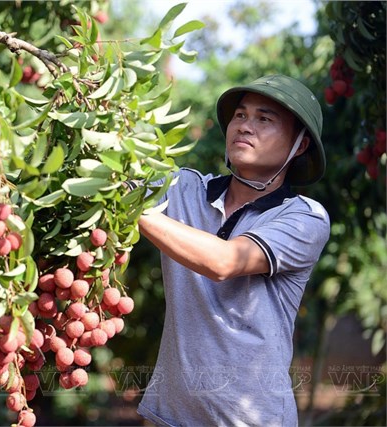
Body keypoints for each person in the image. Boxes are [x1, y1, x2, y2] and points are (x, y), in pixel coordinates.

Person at [135, 74, 331, 427]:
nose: (245, 126)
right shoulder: (185, 189)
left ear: (299, 146)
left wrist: (131, 211)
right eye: (240, 115)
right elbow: (118, 180)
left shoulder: (304, 216)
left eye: (264, 119)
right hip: (168, 417)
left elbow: (224, 261)